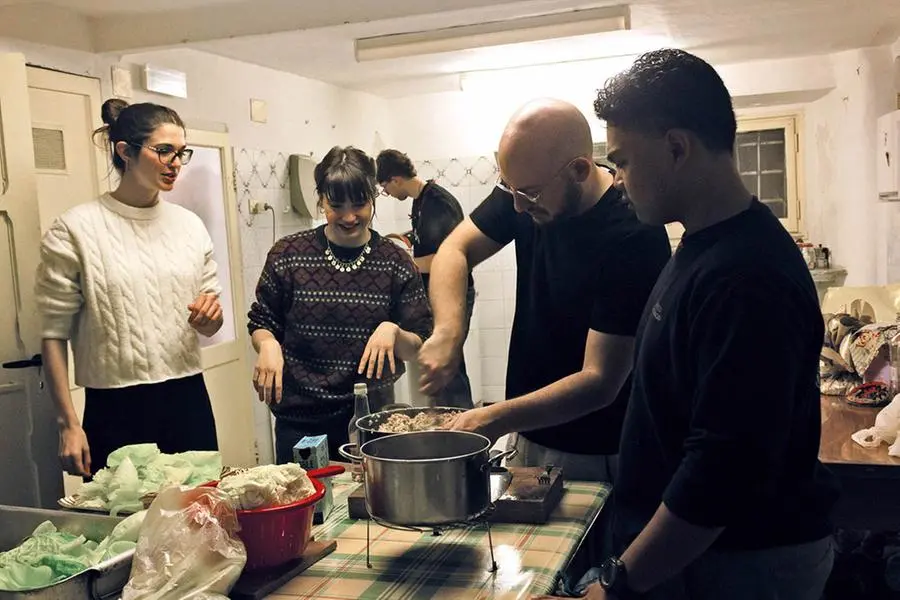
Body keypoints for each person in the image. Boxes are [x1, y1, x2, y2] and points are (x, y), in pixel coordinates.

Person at [537, 49, 839, 600]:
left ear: (677, 148)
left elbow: (721, 472)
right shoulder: (706, 244)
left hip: (740, 567)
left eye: (623, 161)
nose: (617, 180)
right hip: (702, 559)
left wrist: (617, 583)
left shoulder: (747, 278)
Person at [419, 98, 671, 482]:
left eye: (529, 194)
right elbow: (455, 249)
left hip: (600, 452)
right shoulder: (525, 190)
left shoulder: (633, 233)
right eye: (510, 190)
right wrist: (448, 331)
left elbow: (600, 381)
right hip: (527, 435)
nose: (518, 207)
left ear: (579, 170)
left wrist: (494, 417)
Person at [35, 99, 223, 477]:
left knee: (202, 507)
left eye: (181, 153)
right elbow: (52, 334)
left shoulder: (189, 227)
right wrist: (68, 424)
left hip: (187, 397)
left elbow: (210, 323)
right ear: (125, 151)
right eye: (164, 150)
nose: (175, 163)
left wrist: (210, 317)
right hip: (114, 407)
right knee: (122, 512)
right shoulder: (75, 229)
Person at [248, 146, 433, 462]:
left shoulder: (394, 261)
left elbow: (417, 345)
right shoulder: (288, 255)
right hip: (299, 421)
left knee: (369, 496)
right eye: (336, 205)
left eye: (359, 204)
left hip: (371, 424)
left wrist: (393, 331)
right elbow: (262, 320)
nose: (349, 217)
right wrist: (267, 343)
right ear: (321, 200)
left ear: (373, 198)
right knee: (305, 496)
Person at [376, 149, 475, 408]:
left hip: (452, 293)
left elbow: (445, 258)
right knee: (440, 364)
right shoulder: (420, 201)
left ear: (396, 179)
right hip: (438, 293)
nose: (388, 193)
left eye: (385, 188)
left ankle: (461, 422)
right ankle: (447, 419)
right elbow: (428, 241)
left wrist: (403, 264)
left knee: (448, 362)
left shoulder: (437, 202)